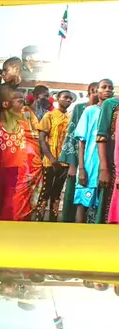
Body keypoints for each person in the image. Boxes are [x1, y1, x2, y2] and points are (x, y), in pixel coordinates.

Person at [0, 85, 43, 221]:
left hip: (21, 175)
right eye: (19, 101)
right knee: (1, 210)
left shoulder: (25, 122)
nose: (23, 105)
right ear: (5, 104)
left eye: (23, 101)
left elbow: (34, 143)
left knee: (14, 210)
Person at [74, 79, 114, 223]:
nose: (108, 90)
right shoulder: (90, 111)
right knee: (82, 202)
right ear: (97, 91)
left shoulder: (114, 112)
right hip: (90, 163)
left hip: (109, 163)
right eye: (104, 87)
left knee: (103, 204)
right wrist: (81, 168)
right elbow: (81, 141)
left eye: (110, 87)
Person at [59, 82, 99, 222]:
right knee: (75, 194)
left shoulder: (105, 109)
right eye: (93, 91)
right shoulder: (80, 108)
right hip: (79, 159)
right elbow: (72, 136)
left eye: (97, 90)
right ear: (89, 92)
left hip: (95, 159)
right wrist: (72, 164)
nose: (95, 93)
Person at [35, 90, 74, 222]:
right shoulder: (49, 115)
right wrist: (51, 158)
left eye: (70, 99)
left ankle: (53, 220)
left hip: (64, 162)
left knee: (57, 193)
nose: (68, 100)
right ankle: (39, 219)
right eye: (65, 97)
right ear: (58, 98)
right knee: (45, 191)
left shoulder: (70, 118)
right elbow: (42, 139)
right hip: (50, 160)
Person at [95, 91, 119, 223]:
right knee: (109, 206)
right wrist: (104, 169)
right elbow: (101, 137)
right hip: (112, 162)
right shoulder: (111, 104)